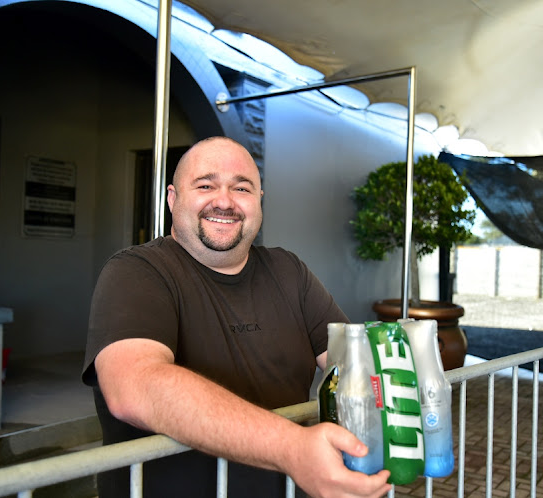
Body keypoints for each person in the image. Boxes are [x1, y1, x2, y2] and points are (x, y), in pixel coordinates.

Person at [82, 137, 391, 498]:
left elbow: (352, 365)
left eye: (241, 187)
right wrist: (292, 447)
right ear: (172, 198)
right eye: (205, 185)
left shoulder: (288, 270)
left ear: (260, 200)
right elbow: (133, 387)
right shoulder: (137, 271)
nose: (225, 201)